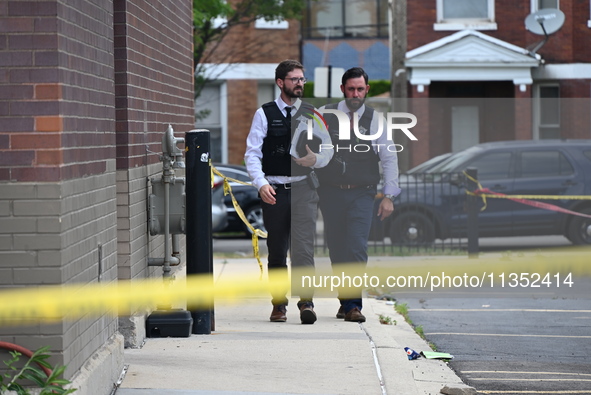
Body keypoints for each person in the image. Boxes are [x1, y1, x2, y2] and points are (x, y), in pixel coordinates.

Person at [244, 59, 333, 324]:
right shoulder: (264, 113)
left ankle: (306, 303)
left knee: (304, 251)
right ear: (280, 82)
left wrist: (314, 160)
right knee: (277, 250)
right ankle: (279, 305)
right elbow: (252, 153)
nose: (299, 84)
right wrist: (261, 184)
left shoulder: (311, 113)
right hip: (274, 191)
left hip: (305, 189)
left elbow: (328, 149)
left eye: (302, 79)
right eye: (294, 79)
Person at [317, 67, 401, 322]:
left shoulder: (376, 120)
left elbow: (389, 158)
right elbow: (310, 148)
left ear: (367, 90)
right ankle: (345, 301)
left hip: (363, 194)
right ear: (342, 89)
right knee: (338, 249)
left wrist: (389, 195)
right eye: (351, 89)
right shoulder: (324, 115)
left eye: (360, 89)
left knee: (356, 247)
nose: (355, 94)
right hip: (330, 192)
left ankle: (354, 306)